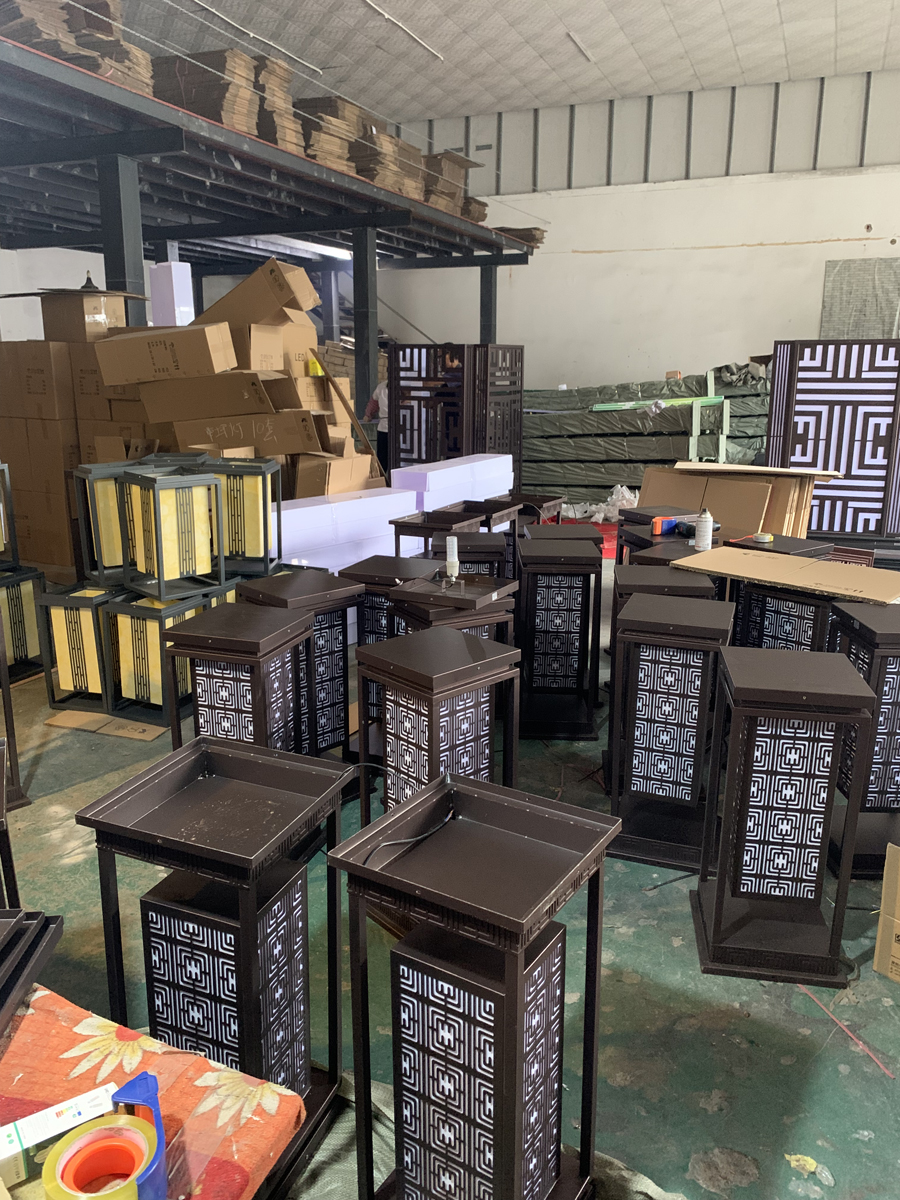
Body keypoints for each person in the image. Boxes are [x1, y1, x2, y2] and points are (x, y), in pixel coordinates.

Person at [364, 380, 390, 473]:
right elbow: (373, 402)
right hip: (385, 427)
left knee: (387, 458)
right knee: (383, 459)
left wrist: (368, 415)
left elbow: (373, 403)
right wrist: (368, 414)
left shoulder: (381, 386)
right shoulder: (381, 387)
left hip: (395, 427)